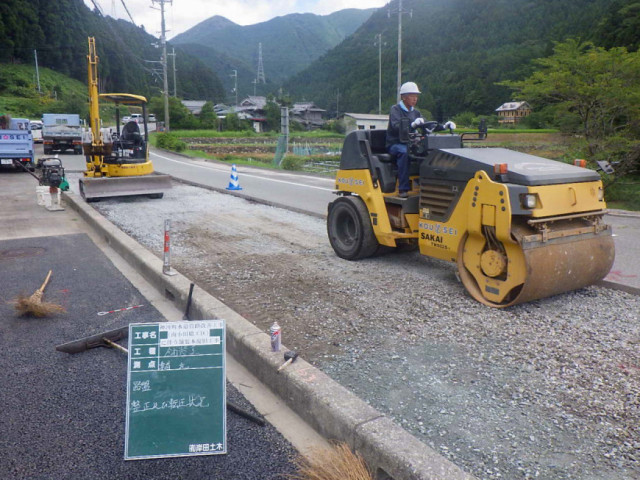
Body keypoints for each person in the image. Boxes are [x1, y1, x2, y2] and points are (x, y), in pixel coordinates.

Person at [386, 82, 454, 197]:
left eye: (416, 96)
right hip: (396, 143)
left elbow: (427, 125)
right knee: (405, 153)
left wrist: (444, 126)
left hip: (411, 143)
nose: (415, 99)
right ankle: (403, 189)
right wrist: (412, 125)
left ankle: (427, 185)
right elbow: (396, 126)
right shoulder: (395, 110)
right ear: (404, 97)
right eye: (412, 96)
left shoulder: (416, 112)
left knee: (428, 152)